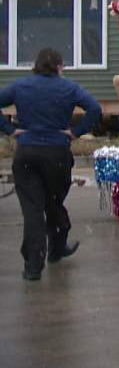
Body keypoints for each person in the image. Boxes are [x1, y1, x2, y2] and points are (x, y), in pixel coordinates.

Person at [0, 48, 101, 281]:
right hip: (57, 154)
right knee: (53, 203)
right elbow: (95, 109)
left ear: (35, 66)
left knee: (33, 210)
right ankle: (57, 247)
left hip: (27, 153)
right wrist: (75, 132)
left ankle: (33, 266)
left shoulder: (21, 86)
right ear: (59, 66)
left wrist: (10, 130)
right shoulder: (69, 88)